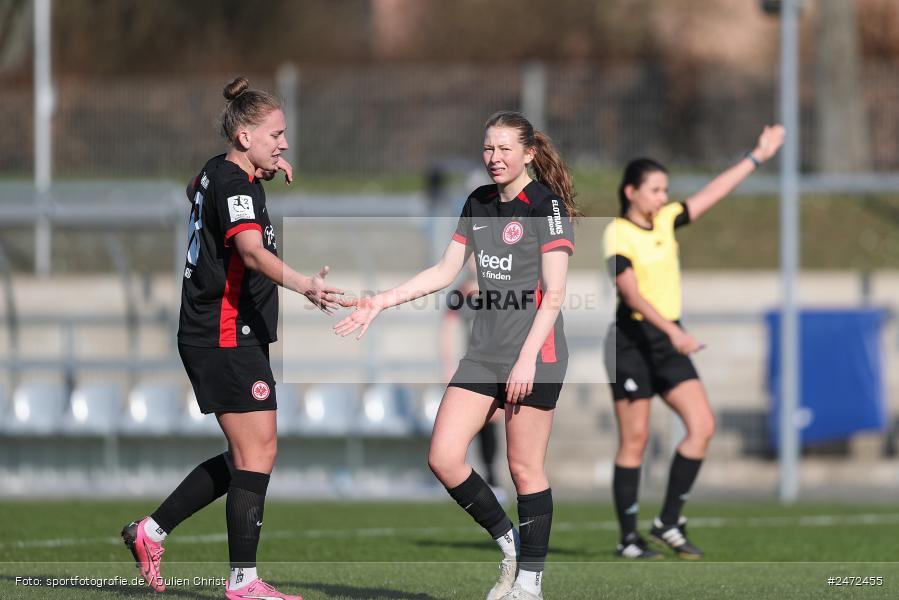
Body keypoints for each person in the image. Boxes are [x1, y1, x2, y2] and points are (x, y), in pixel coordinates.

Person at [336, 110, 579, 600]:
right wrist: (380, 301)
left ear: (529, 154)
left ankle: (530, 582)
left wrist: (528, 358)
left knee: (523, 467)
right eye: (488, 148)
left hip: (537, 353)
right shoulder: (478, 202)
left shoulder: (545, 207)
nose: (494, 157)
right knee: (444, 457)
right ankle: (512, 543)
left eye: (505, 149)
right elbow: (446, 270)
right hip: (485, 354)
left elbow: (555, 292)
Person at [121, 76, 346, 600]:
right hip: (223, 331)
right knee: (258, 451)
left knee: (249, 452)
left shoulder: (217, 174)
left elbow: (201, 190)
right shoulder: (234, 183)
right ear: (245, 136)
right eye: (276, 135)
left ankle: (151, 533)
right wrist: (305, 284)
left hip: (226, 331)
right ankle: (243, 582)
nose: (284, 143)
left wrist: (261, 169)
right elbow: (248, 251)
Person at [602, 125, 785, 560]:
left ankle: (667, 521)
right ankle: (628, 538)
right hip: (632, 341)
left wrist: (756, 156)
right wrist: (675, 332)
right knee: (636, 440)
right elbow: (631, 294)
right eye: (655, 189)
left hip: (669, 340)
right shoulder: (616, 233)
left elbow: (715, 191)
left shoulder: (666, 220)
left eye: (666, 189)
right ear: (632, 192)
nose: (663, 197)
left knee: (702, 425)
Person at [440, 271, 504, 501]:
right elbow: (448, 330)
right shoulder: (459, 293)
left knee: (491, 423)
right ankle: (464, 477)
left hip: (498, 366)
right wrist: (448, 367)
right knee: (468, 423)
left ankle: (493, 477)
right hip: (473, 366)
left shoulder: (499, 287)